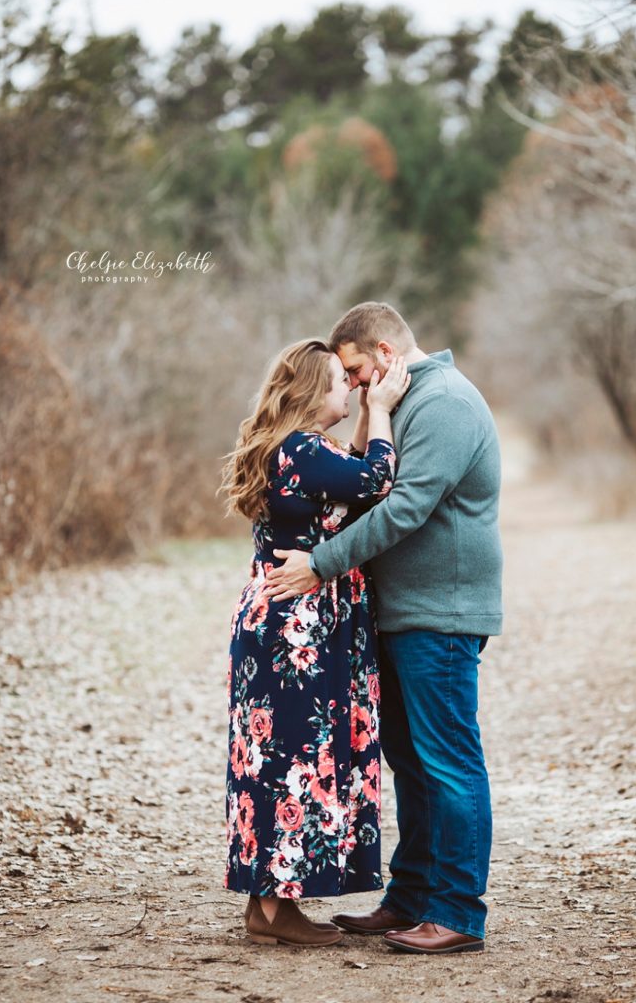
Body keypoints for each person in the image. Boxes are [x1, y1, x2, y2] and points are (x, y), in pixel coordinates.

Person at [265, 302, 503, 955]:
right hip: (401, 614)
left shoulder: (445, 403)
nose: (353, 385)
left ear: (383, 350)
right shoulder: (402, 401)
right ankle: (409, 900)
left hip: (441, 614)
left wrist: (320, 564)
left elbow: (404, 507)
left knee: (449, 765)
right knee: (412, 763)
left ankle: (456, 913)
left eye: (354, 370)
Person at [218, 337, 409, 947]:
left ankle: (265, 907)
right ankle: (277, 912)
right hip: (295, 628)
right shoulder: (301, 448)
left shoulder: (300, 449)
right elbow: (378, 480)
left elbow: (346, 487)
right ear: (309, 391)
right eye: (340, 379)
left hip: (281, 619)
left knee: (276, 759)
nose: (350, 387)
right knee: (291, 762)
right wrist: (380, 411)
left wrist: (359, 421)